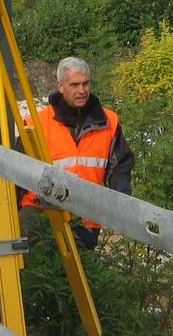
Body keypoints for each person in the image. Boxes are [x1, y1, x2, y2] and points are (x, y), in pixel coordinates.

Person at [20, 57, 134, 249]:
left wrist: (121, 205)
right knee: (33, 271)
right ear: (61, 86)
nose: (82, 90)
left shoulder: (109, 122)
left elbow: (120, 168)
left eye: (85, 83)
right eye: (75, 85)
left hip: (86, 217)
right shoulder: (36, 123)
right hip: (38, 211)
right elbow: (17, 169)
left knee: (80, 272)